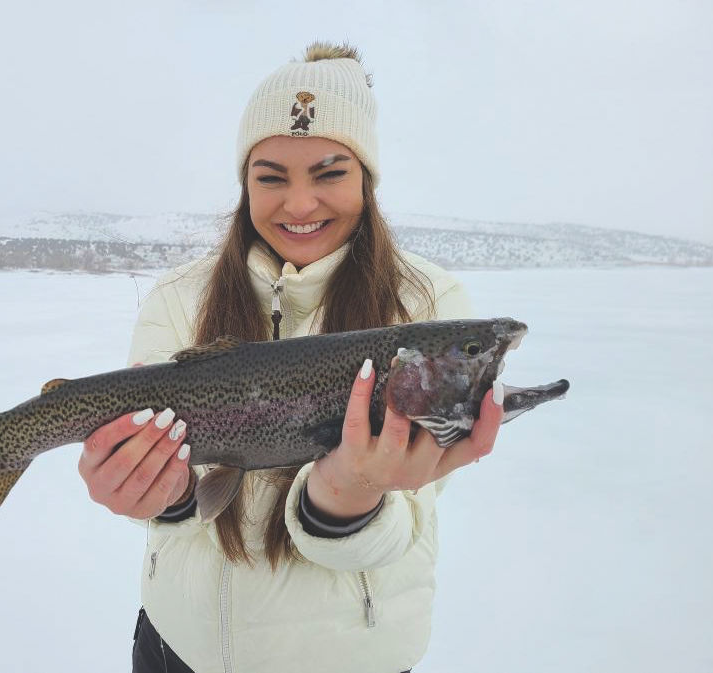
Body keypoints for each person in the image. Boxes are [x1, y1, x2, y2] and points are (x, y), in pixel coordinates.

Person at [77, 41, 505, 673]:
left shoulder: (429, 306)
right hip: (177, 650)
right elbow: (183, 509)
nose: (299, 205)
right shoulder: (178, 297)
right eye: (270, 177)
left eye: (330, 173)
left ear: (367, 180)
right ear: (244, 184)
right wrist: (156, 492)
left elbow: (406, 523)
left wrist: (352, 493)